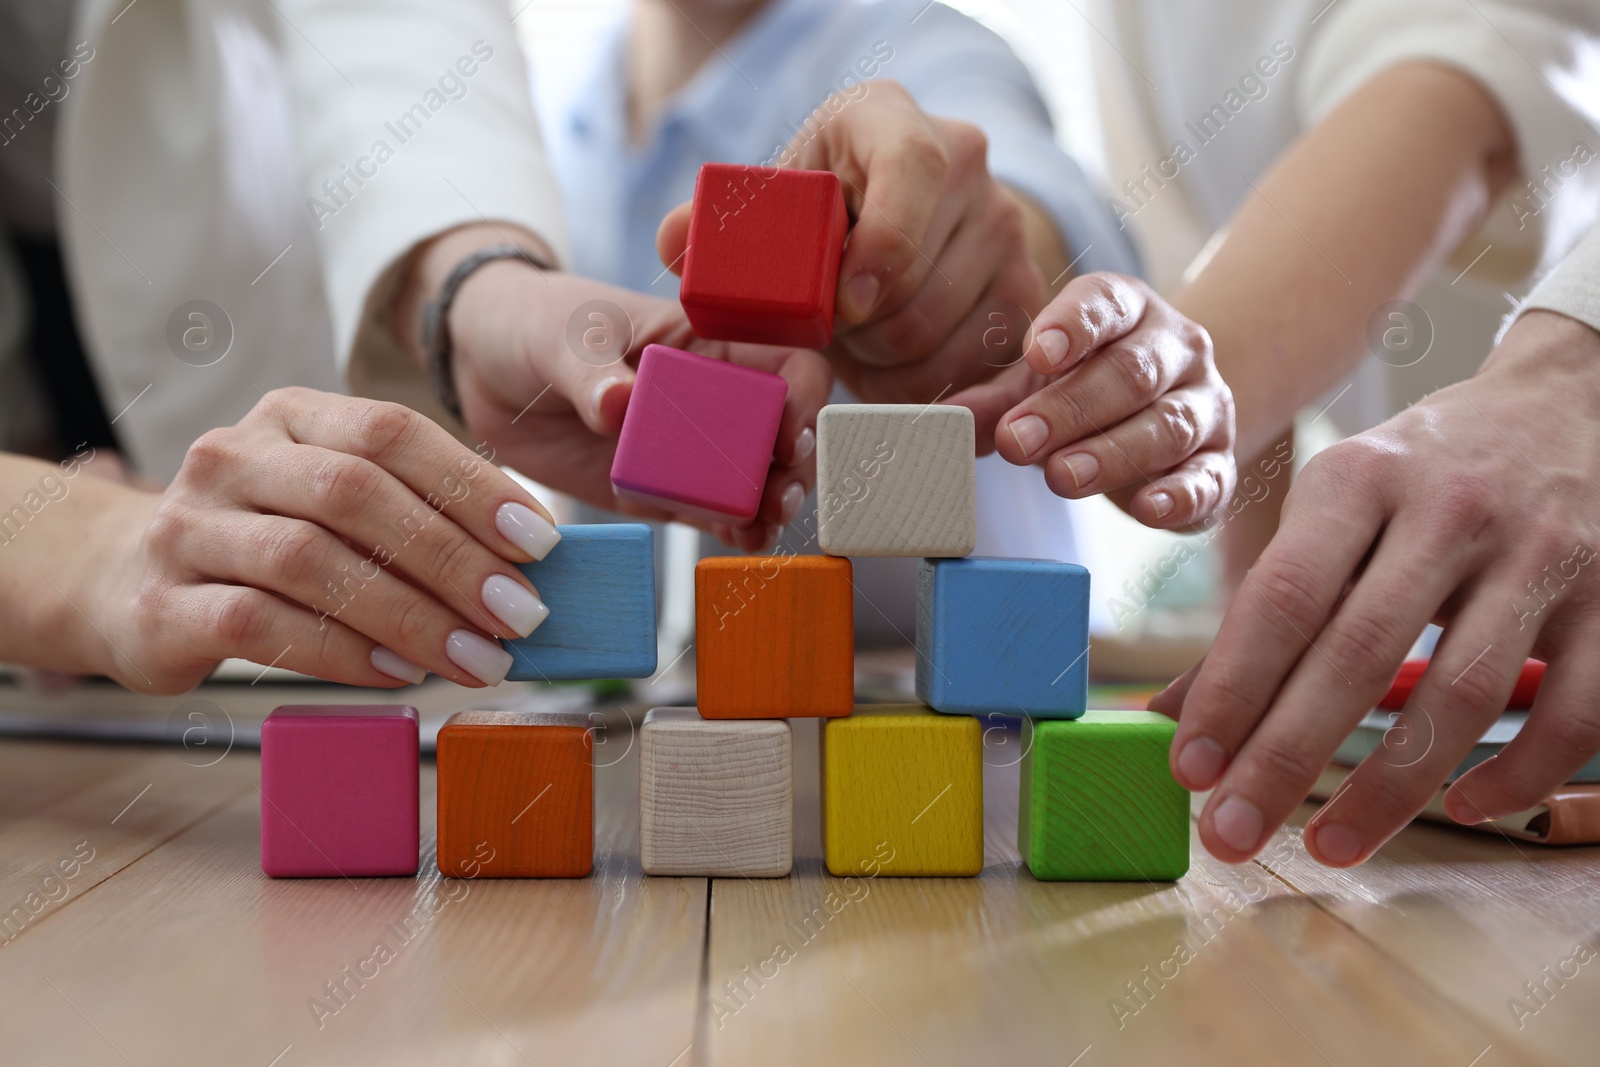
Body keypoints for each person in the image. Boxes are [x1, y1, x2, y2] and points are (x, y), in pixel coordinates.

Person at [995, 0, 1597, 867]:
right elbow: (1224, 274)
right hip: (1478, 545)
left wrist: (1572, 375)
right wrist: (1253, 597)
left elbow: (1473, 79)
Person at [538, 0, 1235, 562]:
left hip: (982, 708)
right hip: (649, 705)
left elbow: (1019, 196)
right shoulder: (556, 104)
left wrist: (988, 259)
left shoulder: (925, 39)